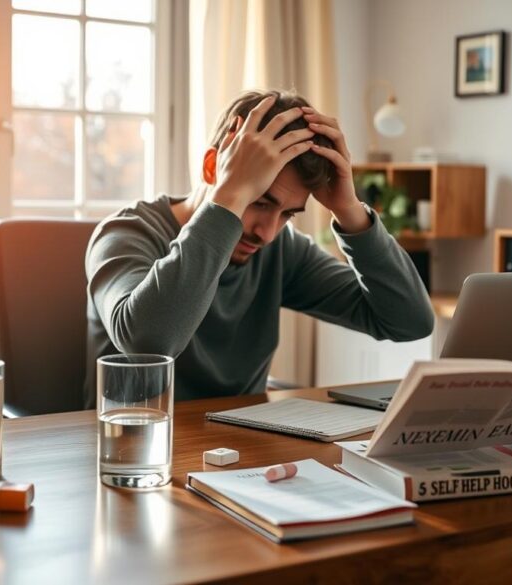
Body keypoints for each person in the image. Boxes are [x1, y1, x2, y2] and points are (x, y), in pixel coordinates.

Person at [84, 89, 433, 403]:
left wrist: (349, 210)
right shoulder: (125, 234)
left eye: (288, 215)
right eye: (260, 202)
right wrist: (229, 201)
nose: (267, 233)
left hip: (242, 456)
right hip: (136, 456)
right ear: (212, 167)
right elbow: (149, 348)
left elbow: (410, 321)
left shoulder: (280, 250)